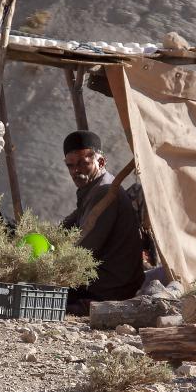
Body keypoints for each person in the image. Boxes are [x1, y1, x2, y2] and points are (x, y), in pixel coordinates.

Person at [61, 130, 145, 314]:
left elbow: (85, 250)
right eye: (71, 165)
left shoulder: (106, 191)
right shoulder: (92, 190)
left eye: (84, 163)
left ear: (100, 162)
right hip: (104, 283)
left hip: (111, 287)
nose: (76, 170)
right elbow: (68, 226)